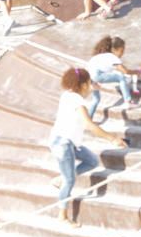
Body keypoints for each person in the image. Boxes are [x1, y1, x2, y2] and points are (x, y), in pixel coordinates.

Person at [48, 67, 126, 228]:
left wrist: (91, 89)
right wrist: (112, 139)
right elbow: (89, 125)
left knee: (91, 161)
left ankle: (61, 178)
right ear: (83, 84)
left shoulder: (68, 95)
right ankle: (62, 215)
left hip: (65, 142)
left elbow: (80, 98)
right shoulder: (77, 101)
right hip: (64, 144)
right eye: (89, 83)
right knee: (70, 181)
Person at [87, 37, 141, 118]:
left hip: (89, 77)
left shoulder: (103, 56)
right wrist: (138, 72)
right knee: (121, 77)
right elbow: (125, 71)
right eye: (121, 51)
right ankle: (128, 102)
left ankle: (89, 120)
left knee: (96, 100)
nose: (122, 54)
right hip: (96, 76)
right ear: (114, 50)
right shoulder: (112, 57)